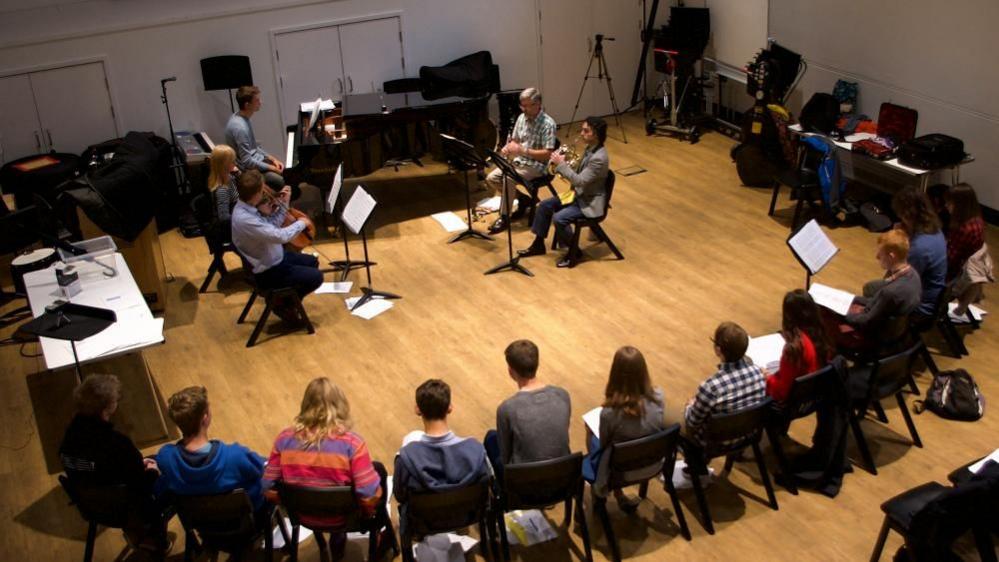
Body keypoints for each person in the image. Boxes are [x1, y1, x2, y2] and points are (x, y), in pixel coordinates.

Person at [264, 378, 386, 558]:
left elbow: (268, 488)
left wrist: (290, 501)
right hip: (345, 517)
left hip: (303, 516)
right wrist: (368, 514)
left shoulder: (283, 440)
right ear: (340, 405)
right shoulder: (352, 444)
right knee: (377, 471)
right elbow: (368, 498)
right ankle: (378, 532)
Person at [59, 374, 169, 552]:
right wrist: (152, 471)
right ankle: (155, 539)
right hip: (123, 505)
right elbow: (141, 484)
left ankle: (137, 531)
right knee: (169, 469)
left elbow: (105, 467)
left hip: (91, 503)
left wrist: (136, 464)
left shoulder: (70, 436)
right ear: (107, 408)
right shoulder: (118, 443)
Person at [155, 386, 267, 514]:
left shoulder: (166, 458)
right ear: (205, 416)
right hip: (247, 523)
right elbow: (260, 470)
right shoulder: (236, 456)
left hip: (204, 527)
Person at [231, 169, 322, 323]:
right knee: (316, 277)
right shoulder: (246, 219)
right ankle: (281, 304)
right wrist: (301, 223)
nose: (265, 192)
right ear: (255, 193)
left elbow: (272, 226)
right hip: (268, 271)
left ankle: (287, 301)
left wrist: (285, 203)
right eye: (262, 189)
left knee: (312, 262)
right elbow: (280, 236)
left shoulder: (248, 208)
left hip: (276, 257)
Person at [517, 116, 610, 267]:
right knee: (544, 206)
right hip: (577, 195)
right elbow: (579, 173)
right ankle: (538, 244)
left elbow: (579, 181)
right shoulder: (590, 149)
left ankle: (575, 252)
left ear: (597, 134)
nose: (581, 133)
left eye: (586, 131)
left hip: (588, 201)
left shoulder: (599, 158)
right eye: (582, 130)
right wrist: (565, 162)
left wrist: (561, 165)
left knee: (559, 218)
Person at [583, 346, 668, 509]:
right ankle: (618, 494)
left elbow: (603, 445)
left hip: (620, 473)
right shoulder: (659, 396)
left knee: (591, 428)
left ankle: (599, 489)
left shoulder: (609, 414)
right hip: (654, 465)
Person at [822, 229, 922, 352]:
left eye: (880, 254)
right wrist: (851, 298)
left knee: (823, 316)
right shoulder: (914, 276)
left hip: (875, 338)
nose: (877, 257)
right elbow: (876, 302)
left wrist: (840, 314)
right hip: (896, 333)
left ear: (891, 256)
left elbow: (865, 321)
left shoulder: (890, 292)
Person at [394, 379, 490, 505]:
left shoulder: (406, 458)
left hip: (425, 521)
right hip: (467, 515)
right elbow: (485, 486)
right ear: (450, 408)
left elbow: (400, 495)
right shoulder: (477, 451)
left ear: (417, 410)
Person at [484, 340, 571, 479]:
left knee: (490, 438)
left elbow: (506, 459)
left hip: (525, 487)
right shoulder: (562, 395)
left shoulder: (507, 409)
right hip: (562, 477)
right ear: (537, 364)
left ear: (510, 372)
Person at [486, 87, 557, 234]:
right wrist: (508, 147)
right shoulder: (521, 118)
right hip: (520, 161)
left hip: (539, 166)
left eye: (526, 106)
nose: (523, 109)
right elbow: (515, 140)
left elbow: (548, 154)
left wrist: (523, 151)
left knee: (509, 177)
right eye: (522, 105)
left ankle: (504, 217)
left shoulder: (548, 124)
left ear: (537, 104)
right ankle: (524, 199)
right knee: (492, 178)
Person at [684, 322, 767, 446]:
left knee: (673, 424)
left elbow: (692, 423)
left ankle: (695, 462)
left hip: (714, 442)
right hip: (747, 435)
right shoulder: (759, 374)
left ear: (718, 350)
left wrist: (689, 406)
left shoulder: (711, 387)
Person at [766, 290, 834, 403]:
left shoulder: (795, 349)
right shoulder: (821, 333)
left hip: (791, 401)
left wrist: (766, 378)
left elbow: (781, 392)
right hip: (810, 394)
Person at [891, 186, 946, 326]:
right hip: (931, 296)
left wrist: (897, 244)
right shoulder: (936, 230)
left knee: (872, 289)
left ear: (908, 215)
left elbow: (897, 282)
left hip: (921, 308)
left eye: (902, 216)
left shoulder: (919, 248)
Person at [944, 184, 993, 321]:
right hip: (969, 274)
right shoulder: (978, 222)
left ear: (960, 205)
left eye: (949, 203)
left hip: (956, 275)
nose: (946, 206)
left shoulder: (964, 229)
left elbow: (950, 259)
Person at [224, 85, 285, 192]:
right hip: (247, 170)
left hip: (254, 161)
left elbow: (254, 147)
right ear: (247, 105)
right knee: (281, 180)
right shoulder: (240, 128)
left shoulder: (242, 117)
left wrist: (272, 158)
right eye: (257, 100)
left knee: (283, 169)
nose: (260, 102)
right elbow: (247, 161)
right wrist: (272, 168)